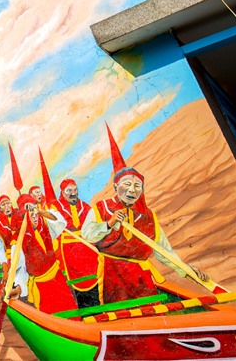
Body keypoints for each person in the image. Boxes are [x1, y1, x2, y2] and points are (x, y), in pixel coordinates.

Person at [82, 127, 208, 304]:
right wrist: (109, 223)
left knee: (151, 309)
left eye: (137, 186)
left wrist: (187, 271)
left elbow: (164, 251)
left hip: (142, 276)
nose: (132, 190)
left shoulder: (148, 217)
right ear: (116, 186)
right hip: (113, 275)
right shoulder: (101, 208)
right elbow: (87, 234)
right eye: (127, 184)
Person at [14, 193, 76, 314]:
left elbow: (60, 221)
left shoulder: (45, 224)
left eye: (36, 214)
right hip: (42, 286)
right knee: (51, 314)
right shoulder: (20, 239)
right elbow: (20, 269)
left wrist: (39, 211)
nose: (35, 217)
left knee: (70, 309)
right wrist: (19, 287)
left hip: (57, 278)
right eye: (31, 215)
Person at [54, 178, 101, 309]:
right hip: (69, 252)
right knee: (76, 282)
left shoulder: (85, 207)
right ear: (62, 193)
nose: (73, 193)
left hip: (87, 249)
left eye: (75, 190)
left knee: (94, 278)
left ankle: (97, 311)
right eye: (69, 190)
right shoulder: (56, 208)